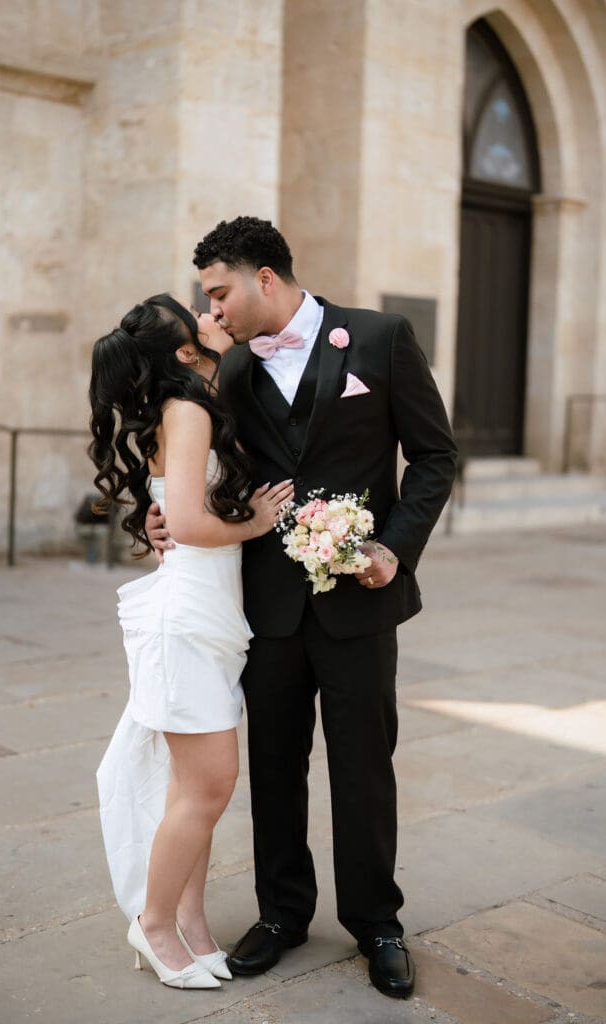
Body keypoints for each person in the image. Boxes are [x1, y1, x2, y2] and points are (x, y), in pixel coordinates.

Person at [146, 218, 458, 999]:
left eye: (219, 292)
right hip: (269, 606)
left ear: (266, 279)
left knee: (363, 767)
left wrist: (393, 546)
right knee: (274, 770)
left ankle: (376, 922)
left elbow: (433, 455)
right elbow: (205, 466)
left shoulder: (380, 338)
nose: (211, 310)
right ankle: (282, 914)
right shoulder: (232, 370)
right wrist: (160, 514)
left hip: (361, 601)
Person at [88, 293, 294, 990]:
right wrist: (258, 522)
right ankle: (151, 925)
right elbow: (190, 523)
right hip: (189, 618)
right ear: (183, 352)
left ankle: (193, 923)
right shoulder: (189, 411)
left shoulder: (190, 405)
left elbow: (169, 517)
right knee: (208, 788)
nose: (212, 316)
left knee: (192, 789)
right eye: (197, 316)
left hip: (206, 611)